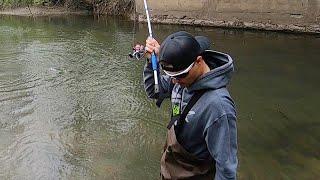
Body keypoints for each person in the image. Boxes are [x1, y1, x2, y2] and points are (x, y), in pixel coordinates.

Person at [143, 31, 238, 179]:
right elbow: (154, 92)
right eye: (171, 76)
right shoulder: (180, 79)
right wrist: (152, 62)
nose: (174, 82)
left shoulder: (218, 107)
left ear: (199, 61)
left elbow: (226, 168)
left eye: (180, 75)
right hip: (172, 164)